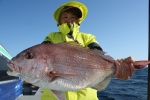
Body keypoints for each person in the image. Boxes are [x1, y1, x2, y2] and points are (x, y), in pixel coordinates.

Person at [41, 1, 135, 100]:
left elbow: (99, 55)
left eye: (73, 17)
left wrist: (116, 68)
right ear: (59, 21)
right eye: (65, 16)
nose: (69, 19)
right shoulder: (51, 36)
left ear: (78, 21)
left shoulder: (87, 37)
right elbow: (41, 53)